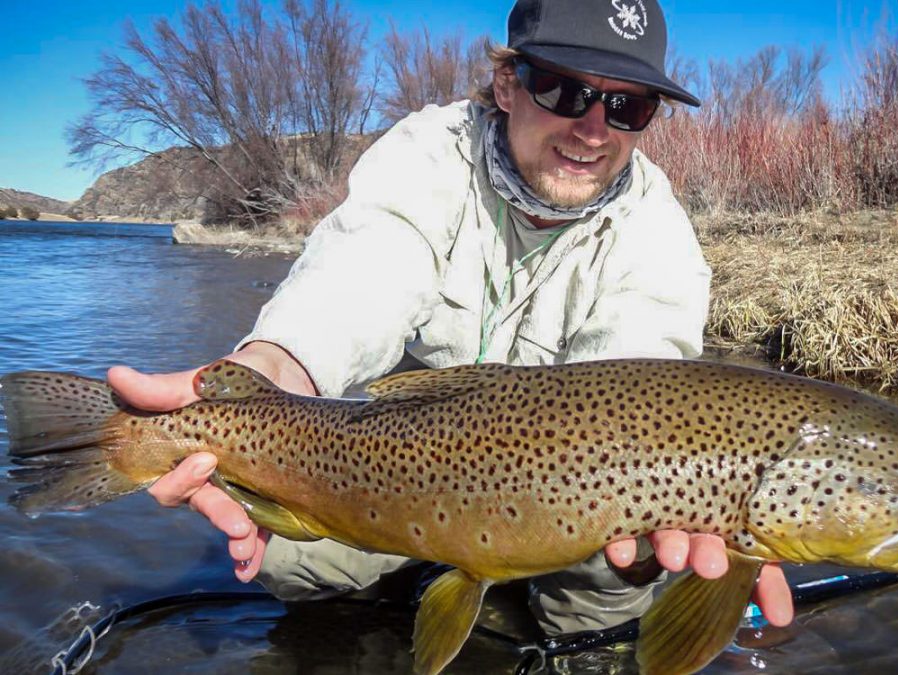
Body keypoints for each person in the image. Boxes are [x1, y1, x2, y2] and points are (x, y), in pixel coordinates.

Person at [109, 0, 793, 637]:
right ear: (506, 84)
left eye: (627, 106)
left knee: (632, 542)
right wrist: (268, 367)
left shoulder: (658, 231)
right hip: (407, 467)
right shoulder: (430, 154)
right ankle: (379, 611)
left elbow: (644, 394)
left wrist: (731, 507)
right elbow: (360, 278)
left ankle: (581, 635)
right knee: (280, 552)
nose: (592, 128)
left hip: (562, 494)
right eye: (562, 90)